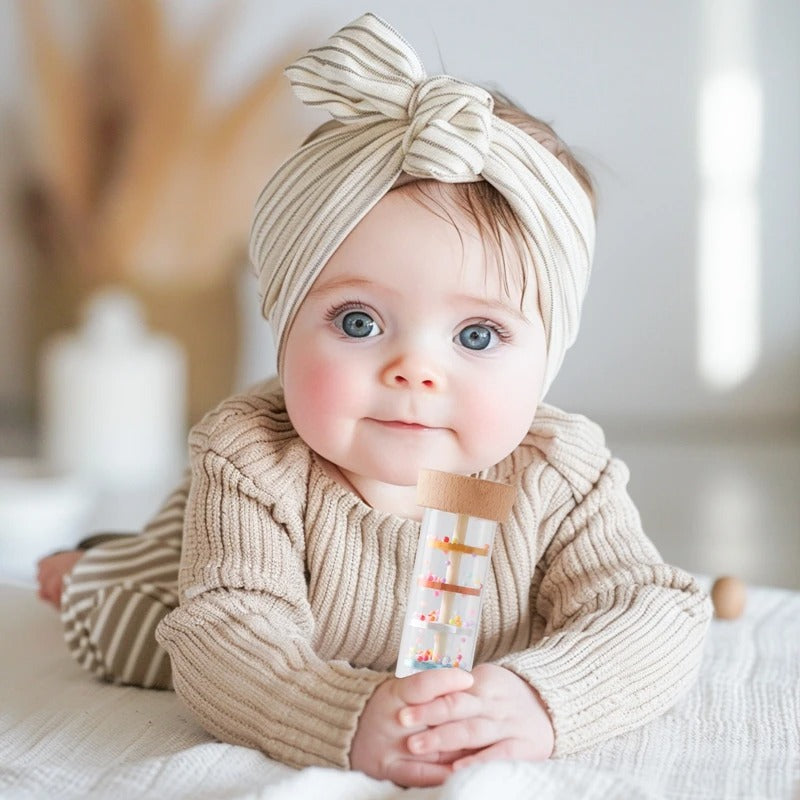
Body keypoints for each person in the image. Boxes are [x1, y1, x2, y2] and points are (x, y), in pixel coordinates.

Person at [36, 13, 711, 788]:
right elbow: (227, 635)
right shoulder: (254, 458)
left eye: (479, 336)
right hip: (224, 582)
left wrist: (538, 698)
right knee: (139, 620)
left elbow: (652, 612)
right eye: (358, 322)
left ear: (547, 358)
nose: (415, 372)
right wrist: (344, 716)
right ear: (284, 322)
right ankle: (90, 563)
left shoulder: (562, 474)